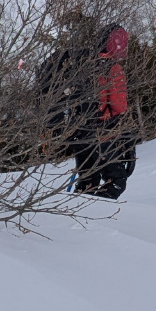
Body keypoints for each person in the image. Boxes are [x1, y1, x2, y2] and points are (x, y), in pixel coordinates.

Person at [41, 23, 137, 200]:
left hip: (79, 133)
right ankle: (97, 219)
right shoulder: (113, 69)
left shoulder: (81, 63)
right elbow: (118, 106)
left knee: (87, 181)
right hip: (102, 133)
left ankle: (78, 214)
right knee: (116, 181)